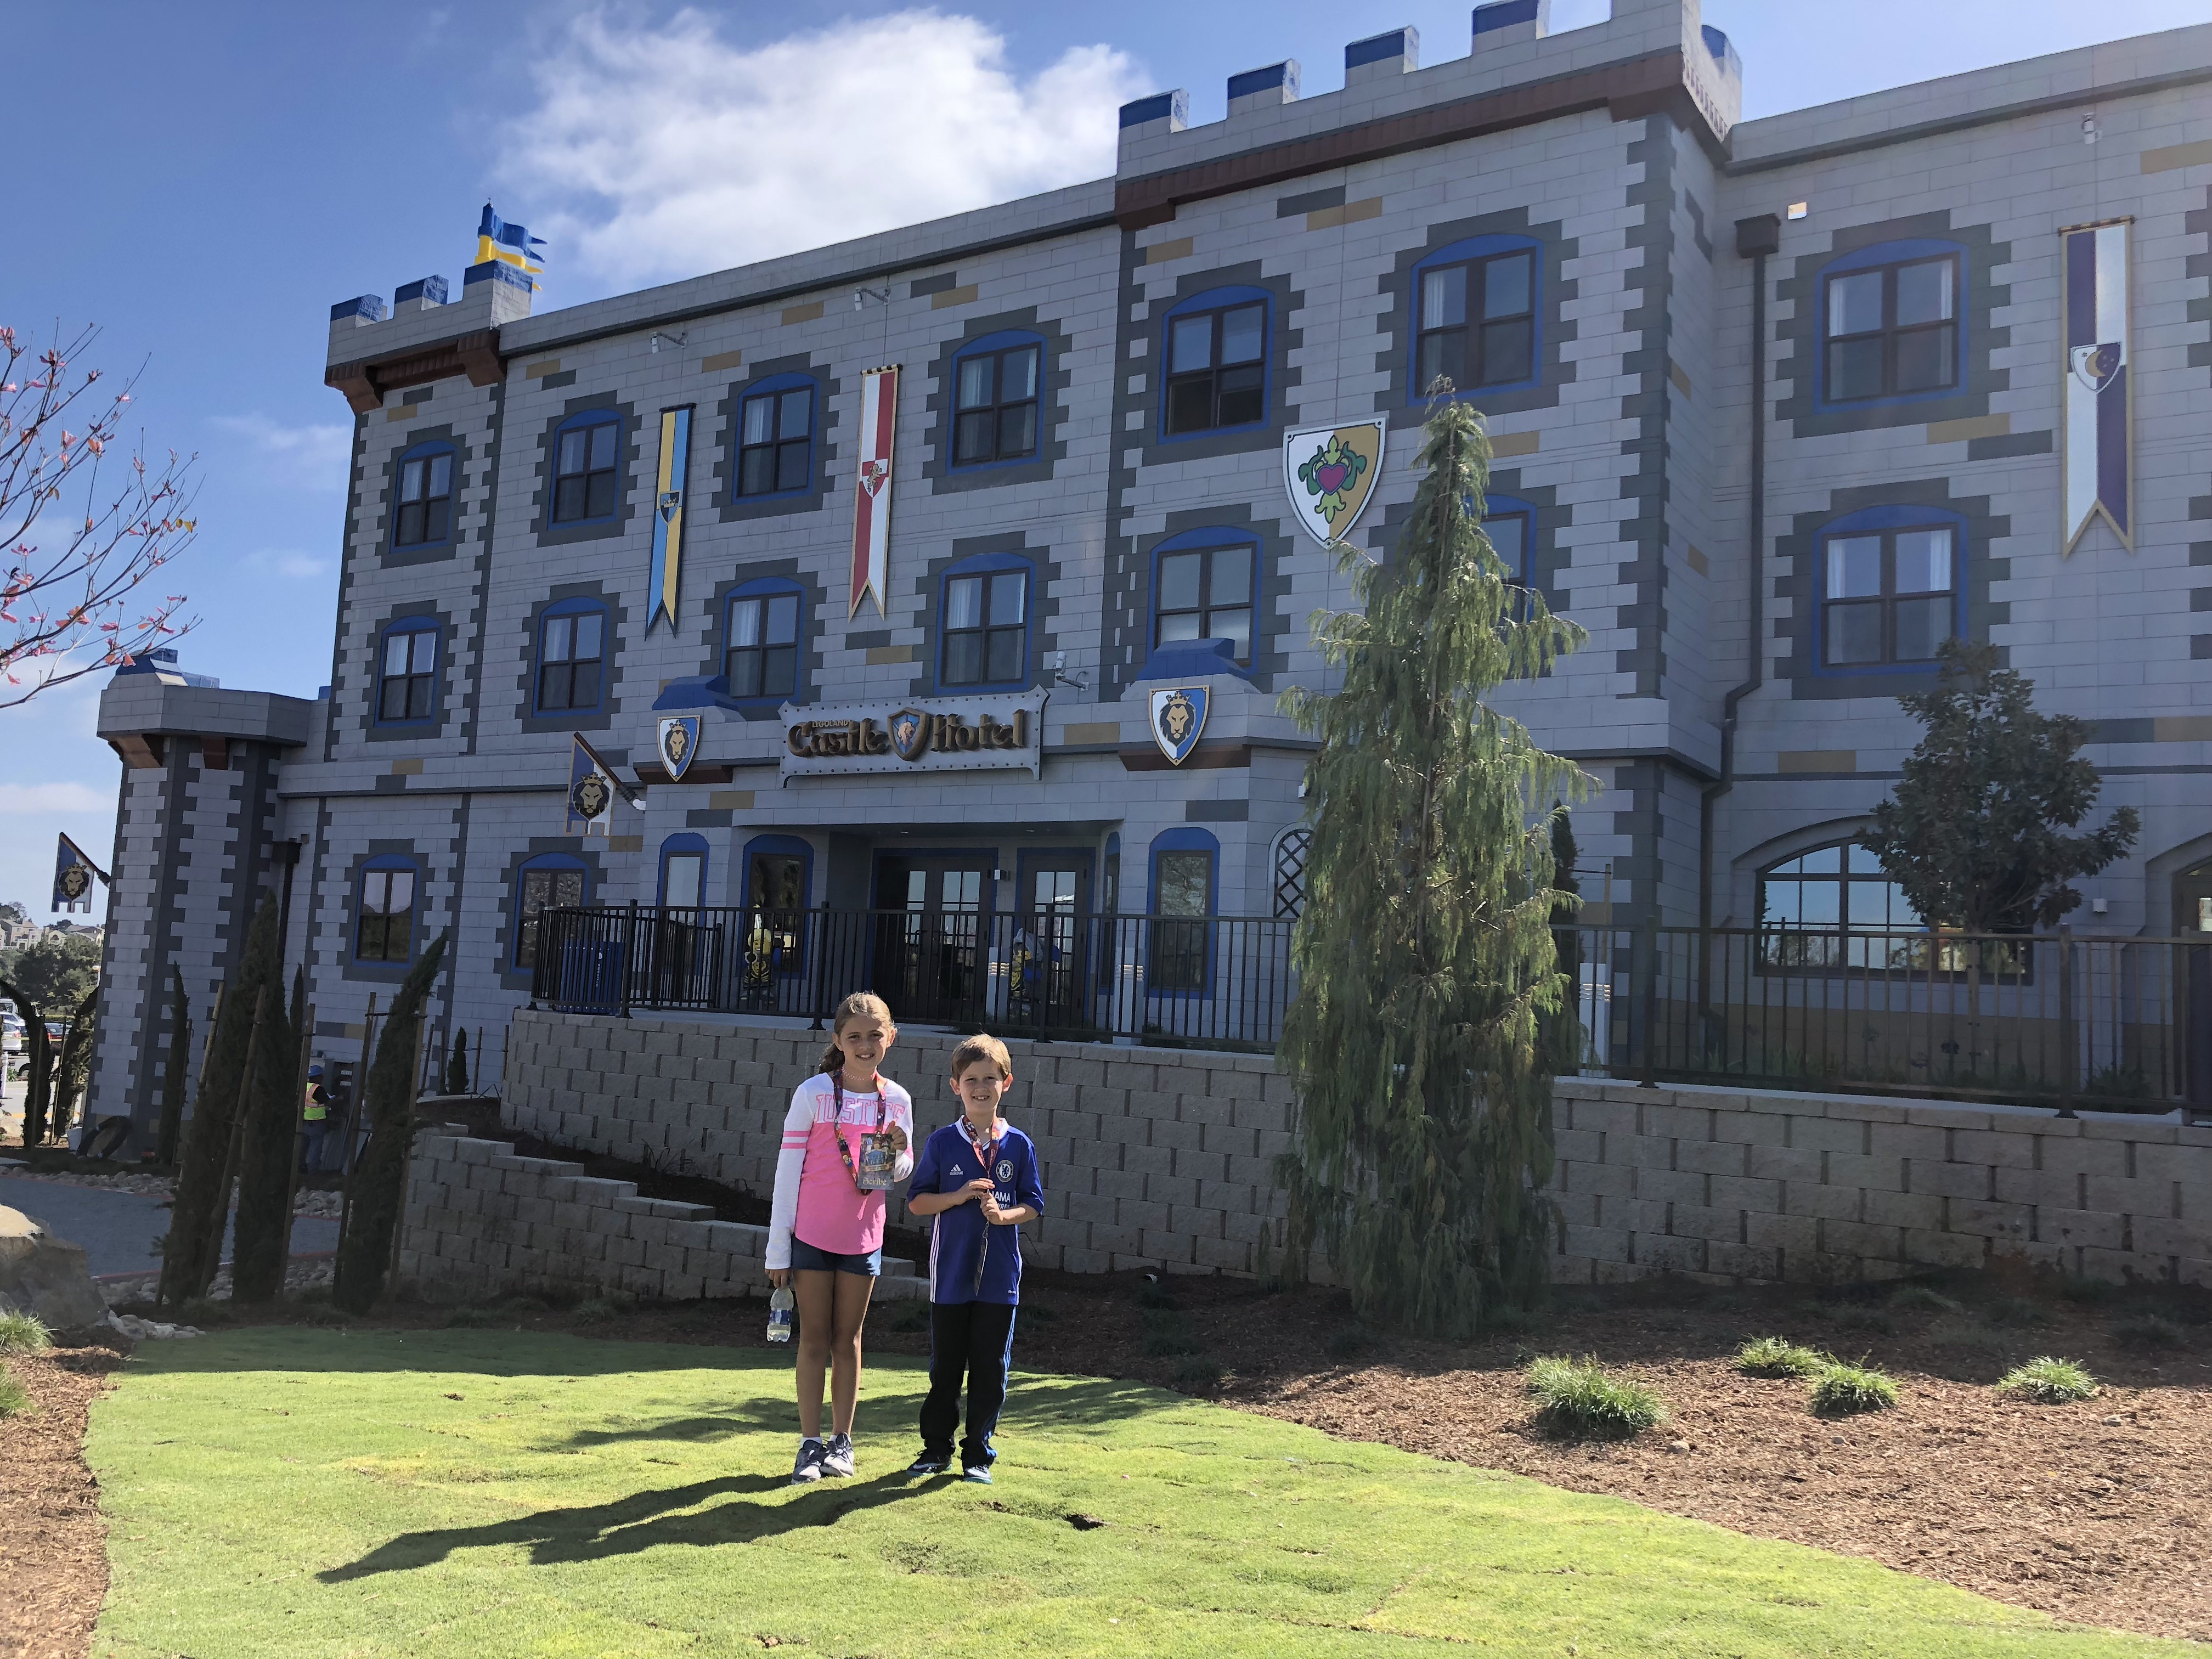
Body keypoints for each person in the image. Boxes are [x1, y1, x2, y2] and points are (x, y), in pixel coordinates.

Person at [765, 991, 914, 1485]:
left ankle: (842, 1443)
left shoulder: (897, 1099)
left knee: (848, 1342)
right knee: (813, 1341)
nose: (866, 1045)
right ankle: (809, 1445)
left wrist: (899, 1153)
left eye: (875, 1036)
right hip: (810, 1238)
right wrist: (778, 1250)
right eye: (855, 1037)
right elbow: (788, 1174)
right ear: (838, 1041)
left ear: (890, 1038)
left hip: (864, 1239)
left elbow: (899, 1169)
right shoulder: (812, 1093)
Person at [903, 1032, 1045, 1485]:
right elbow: (918, 1203)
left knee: (991, 1368)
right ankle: (935, 1448)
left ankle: (978, 1454)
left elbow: (1034, 1205)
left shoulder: (1019, 1145)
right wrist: (960, 1195)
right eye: (971, 1079)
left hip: (1000, 1281)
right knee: (945, 1367)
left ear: (1007, 1083)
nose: (980, 1087)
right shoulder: (944, 1143)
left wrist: (1005, 1218)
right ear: (955, 1086)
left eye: (990, 1078)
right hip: (951, 1277)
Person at [300, 1064, 331, 1173]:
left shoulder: (305, 1087)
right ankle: (313, 1171)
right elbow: (328, 1101)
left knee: (302, 1148)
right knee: (315, 1149)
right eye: (321, 1077)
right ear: (317, 1077)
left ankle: (299, 1167)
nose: (322, 1079)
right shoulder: (318, 1089)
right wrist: (341, 1098)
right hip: (316, 1123)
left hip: (304, 1122)